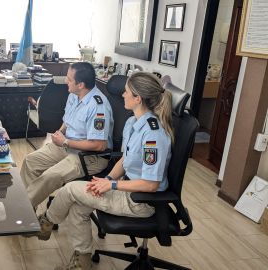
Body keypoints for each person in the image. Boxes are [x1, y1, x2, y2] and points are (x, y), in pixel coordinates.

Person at [33, 72, 174, 270]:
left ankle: (44, 224)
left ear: (137, 98)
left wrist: (112, 184)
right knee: (78, 208)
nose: (122, 95)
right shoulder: (134, 123)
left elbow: (151, 184)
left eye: (126, 92)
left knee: (70, 190)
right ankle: (82, 261)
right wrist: (106, 180)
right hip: (126, 186)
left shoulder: (153, 134)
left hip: (140, 201)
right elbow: (125, 160)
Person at [20, 62, 114, 208]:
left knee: (49, 177)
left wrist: (65, 142)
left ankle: (23, 212)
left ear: (81, 84)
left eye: (69, 79)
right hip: (67, 145)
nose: (65, 81)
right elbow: (67, 120)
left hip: (89, 156)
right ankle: (30, 209)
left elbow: (99, 145)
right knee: (30, 162)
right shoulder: (74, 94)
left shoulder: (98, 106)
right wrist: (61, 132)